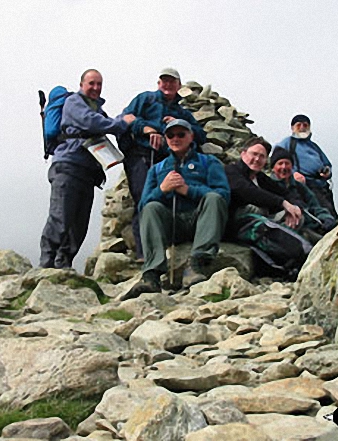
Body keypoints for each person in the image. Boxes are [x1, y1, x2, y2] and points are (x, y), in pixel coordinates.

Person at [40, 69, 135, 269]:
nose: (95, 88)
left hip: (87, 172)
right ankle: (46, 265)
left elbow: (107, 123)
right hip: (68, 165)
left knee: (79, 224)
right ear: (82, 84)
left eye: (99, 84)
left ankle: (63, 265)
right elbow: (92, 122)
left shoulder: (97, 110)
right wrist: (121, 123)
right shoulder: (74, 102)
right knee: (61, 216)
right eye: (91, 83)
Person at [124, 119, 229, 299]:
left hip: (200, 221)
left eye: (181, 134)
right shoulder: (157, 169)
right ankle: (151, 276)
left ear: (191, 136)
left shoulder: (208, 162)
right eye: (170, 135)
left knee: (213, 198)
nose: (175, 138)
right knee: (151, 207)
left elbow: (223, 195)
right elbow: (143, 205)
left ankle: (196, 263)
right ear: (165, 138)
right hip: (171, 224)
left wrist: (189, 190)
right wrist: (162, 189)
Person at [119, 68, 206, 259]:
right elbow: (125, 117)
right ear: (158, 83)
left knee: (163, 200)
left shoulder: (181, 112)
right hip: (141, 155)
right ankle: (145, 254)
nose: (167, 85)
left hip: (166, 161)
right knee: (144, 198)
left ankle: (160, 250)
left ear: (179, 86)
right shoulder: (145, 99)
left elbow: (201, 136)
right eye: (164, 81)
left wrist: (180, 123)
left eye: (172, 81)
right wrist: (147, 129)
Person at [225, 137, 312, 280]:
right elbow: (246, 191)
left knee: (296, 218)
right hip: (237, 223)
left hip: (257, 220)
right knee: (264, 227)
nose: (257, 159)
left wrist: (294, 207)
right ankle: (303, 255)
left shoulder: (261, 178)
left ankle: (291, 263)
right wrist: (283, 203)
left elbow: (286, 193)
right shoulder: (231, 171)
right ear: (243, 154)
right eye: (254, 154)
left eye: (262, 156)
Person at [275, 114, 338, 219]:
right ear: (292, 128)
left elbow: (327, 163)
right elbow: (277, 159)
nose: (302, 127)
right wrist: (293, 174)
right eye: (298, 125)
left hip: (321, 185)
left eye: (305, 125)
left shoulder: (314, 146)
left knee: (330, 210)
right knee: (321, 210)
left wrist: (327, 172)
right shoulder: (287, 143)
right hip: (305, 184)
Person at [269, 147, 338, 244]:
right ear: (273, 167)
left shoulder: (300, 187)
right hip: (289, 228)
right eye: (280, 164)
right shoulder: (268, 186)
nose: (284, 167)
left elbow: (316, 206)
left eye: (287, 163)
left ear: (292, 166)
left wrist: (326, 217)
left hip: (313, 225)